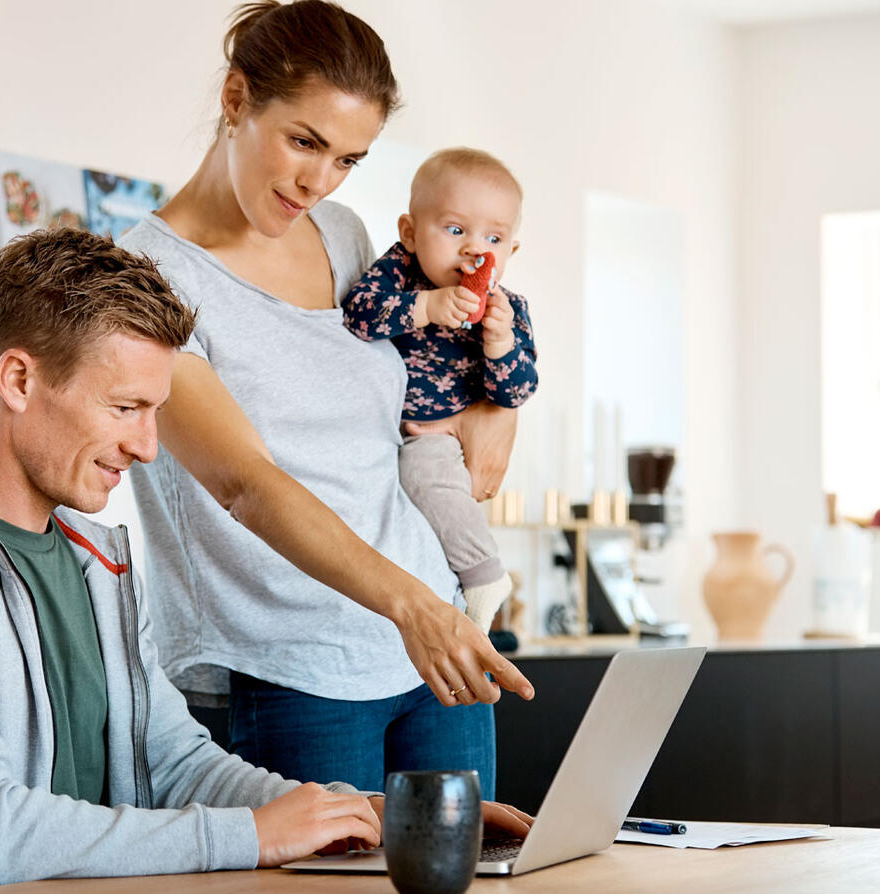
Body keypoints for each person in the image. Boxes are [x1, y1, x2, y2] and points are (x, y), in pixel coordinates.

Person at [0, 228, 439, 892]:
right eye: (125, 408)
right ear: (17, 379)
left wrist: (353, 811)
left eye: (153, 411)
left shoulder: (94, 558)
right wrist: (252, 835)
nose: (149, 447)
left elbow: (176, 765)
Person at [118, 0, 533, 799]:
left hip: (429, 647)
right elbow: (244, 482)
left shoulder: (340, 233)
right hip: (286, 665)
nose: (318, 180)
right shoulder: (145, 277)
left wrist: (500, 407)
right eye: (304, 142)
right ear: (236, 99)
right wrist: (413, 607)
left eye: (348, 158)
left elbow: (435, 351)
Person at [342, 148, 538, 633]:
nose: (475, 250)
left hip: (439, 439)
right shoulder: (399, 275)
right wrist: (425, 307)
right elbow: (359, 315)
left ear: (511, 251)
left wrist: (500, 343)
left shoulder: (506, 309)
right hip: (376, 431)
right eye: (455, 231)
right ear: (409, 232)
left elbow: (516, 392)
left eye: (494, 238)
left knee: (426, 477)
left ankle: (484, 573)